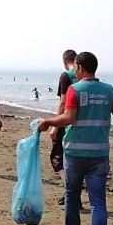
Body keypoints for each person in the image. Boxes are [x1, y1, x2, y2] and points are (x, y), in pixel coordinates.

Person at [37, 51, 113, 225]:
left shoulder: (74, 89)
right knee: (98, 201)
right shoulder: (109, 90)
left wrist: (48, 122)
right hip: (99, 153)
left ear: (79, 67)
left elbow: (68, 118)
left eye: (75, 69)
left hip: (75, 152)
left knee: (71, 194)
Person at [49, 49, 78, 205]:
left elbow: (63, 102)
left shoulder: (66, 76)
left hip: (66, 121)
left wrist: (55, 125)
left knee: (56, 158)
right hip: (82, 121)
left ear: (64, 61)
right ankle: (71, 193)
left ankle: (71, 194)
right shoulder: (83, 75)